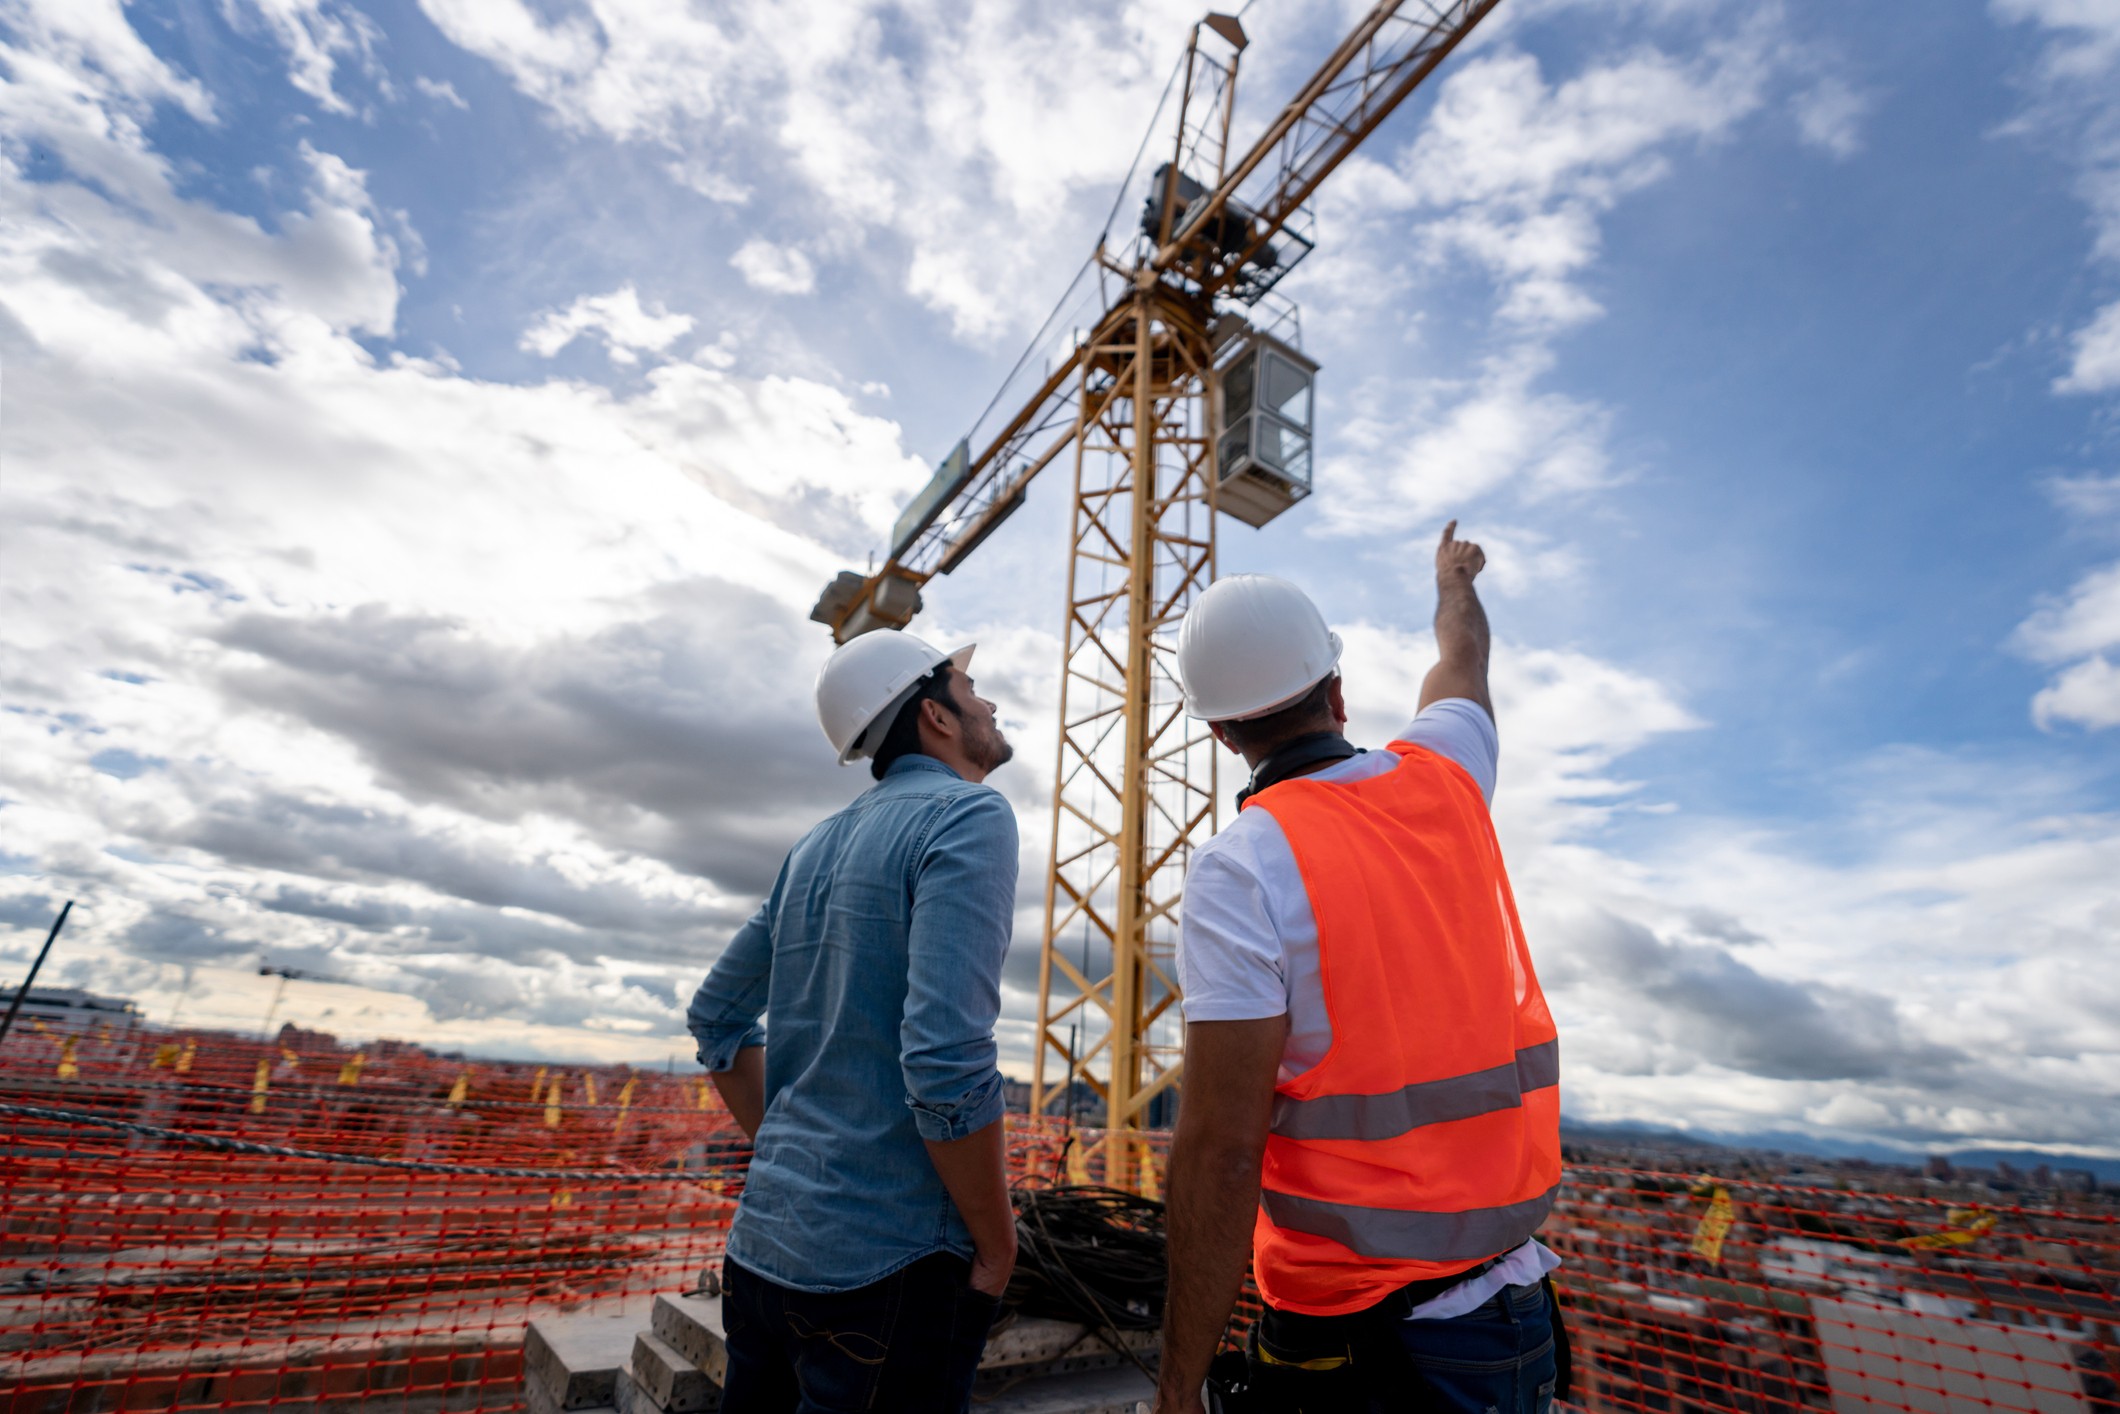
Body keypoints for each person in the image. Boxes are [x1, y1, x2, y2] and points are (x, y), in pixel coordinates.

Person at [1152, 524, 1565, 1414]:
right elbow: (1462, 660)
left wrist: (1178, 1389)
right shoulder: (1449, 778)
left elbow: (1223, 1151)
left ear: (1221, 733)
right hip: (1511, 1311)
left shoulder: (1242, 866)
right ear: (1337, 692)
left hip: (1357, 1341)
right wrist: (1454, 580)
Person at [687, 629, 1020, 1414]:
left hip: (763, 1249)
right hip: (889, 1269)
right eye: (972, 692)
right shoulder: (970, 816)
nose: (990, 705)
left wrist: (793, 1150)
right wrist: (997, 1242)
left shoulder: (815, 845)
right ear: (936, 716)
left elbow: (716, 1017)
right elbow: (943, 1059)